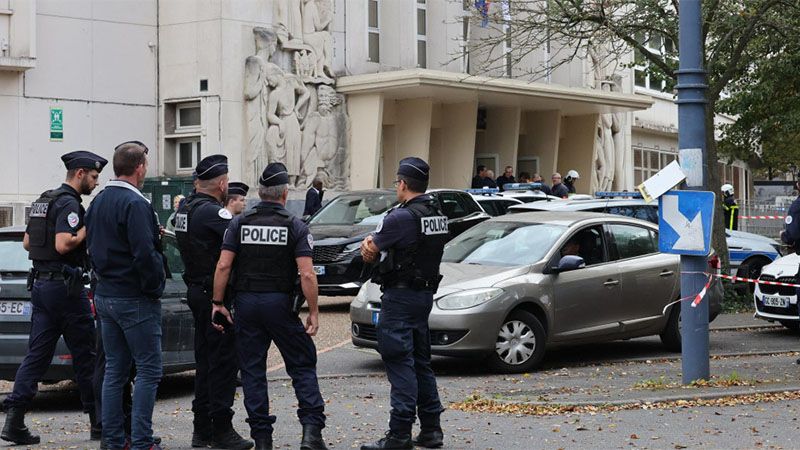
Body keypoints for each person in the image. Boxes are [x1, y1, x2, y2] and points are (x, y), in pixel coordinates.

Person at [211, 162, 328, 450]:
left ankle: (262, 439)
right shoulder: (295, 225)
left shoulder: (239, 223)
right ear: (285, 194)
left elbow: (224, 265)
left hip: (247, 304)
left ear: (260, 194)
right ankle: (311, 433)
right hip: (281, 305)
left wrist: (217, 303)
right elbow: (307, 274)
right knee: (301, 364)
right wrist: (313, 311)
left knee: (252, 370)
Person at [1, 151, 107, 446]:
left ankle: (14, 419)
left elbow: (26, 242)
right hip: (66, 289)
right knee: (86, 355)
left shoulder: (43, 200)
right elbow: (64, 244)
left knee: (36, 355)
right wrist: (88, 227)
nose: (96, 183)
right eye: (94, 177)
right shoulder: (70, 203)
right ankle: (98, 423)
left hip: (42, 287)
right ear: (80, 173)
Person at [359, 157, 449, 450]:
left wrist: (369, 246)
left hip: (400, 297)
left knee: (400, 363)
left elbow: (371, 249)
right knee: (421, 362)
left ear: (403, 184)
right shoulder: (436, 213)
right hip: (423, 297)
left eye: (396, 182)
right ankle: (432, 429)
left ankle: (399, 434)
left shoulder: (400, 217)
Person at [85, 141, 165, 450]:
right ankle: (142, 441)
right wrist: (153, 286)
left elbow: (92, 245)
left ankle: (114, 440)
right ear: (140, 168)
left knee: (115, 371)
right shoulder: (136, 204)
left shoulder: (100, 200)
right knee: (148, 371)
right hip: (134, 296)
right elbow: (145, 254)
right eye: (145, 164)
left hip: (105, 293)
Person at [174, 155, 253, 449]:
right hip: (213, 295)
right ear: (222, 184)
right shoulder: (212, 213)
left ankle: (201, 429)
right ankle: (221, 430)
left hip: (197, 290)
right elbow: (239, 244)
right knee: (221, 364)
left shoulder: (186, 208)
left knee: (206, 362)